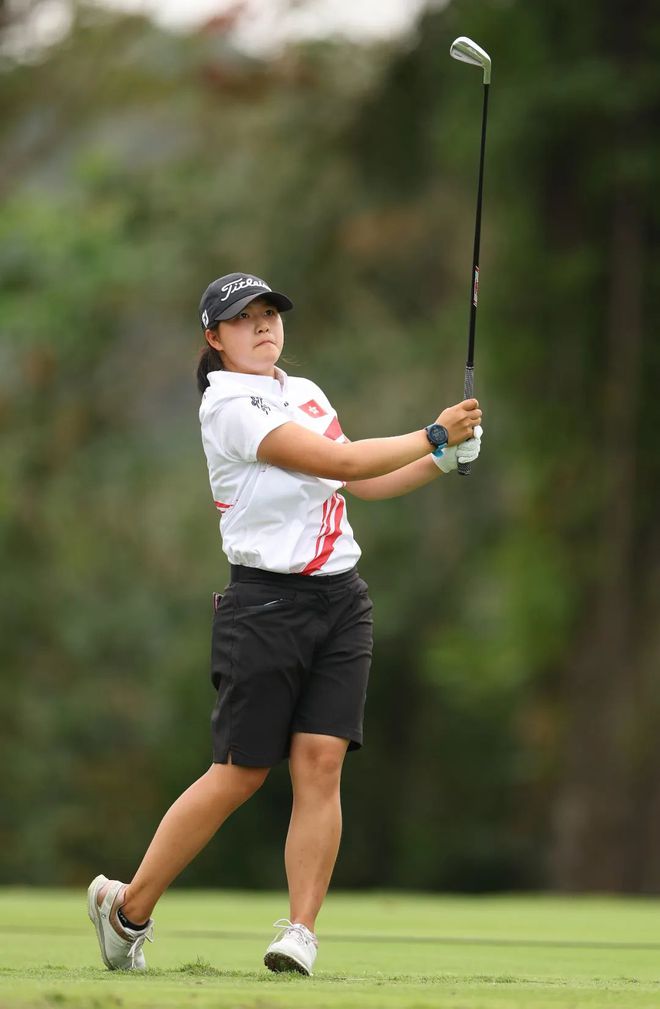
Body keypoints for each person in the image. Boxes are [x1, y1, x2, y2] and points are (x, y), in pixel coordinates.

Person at [87, 272, 483, 976]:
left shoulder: (305, 393)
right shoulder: (228, 407)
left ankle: (300, 930)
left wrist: (440, 459)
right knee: (240, 773)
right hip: (263, 605)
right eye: (245, 319)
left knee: (320, 764)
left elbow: (357, 480)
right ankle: (127, 911)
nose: (263, 326)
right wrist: (430, 433)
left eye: (270, 313)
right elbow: (336, 458)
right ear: (215, 338)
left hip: (340, 601)